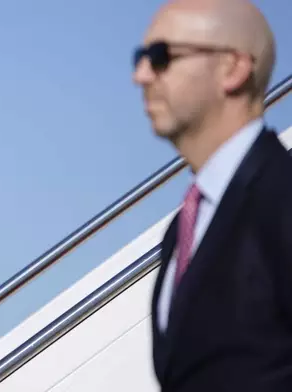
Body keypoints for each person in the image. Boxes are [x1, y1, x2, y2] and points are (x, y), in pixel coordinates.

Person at [133, 0, 292, 390]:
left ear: (233, 68)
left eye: (160, 56)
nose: (140, 75)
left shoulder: (283, 199)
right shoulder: (180, 233)